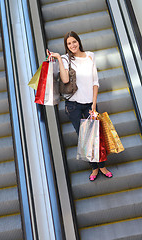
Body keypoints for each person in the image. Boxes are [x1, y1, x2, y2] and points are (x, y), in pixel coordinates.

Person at [47, 31, 112, 181]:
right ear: (66, 46)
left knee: (96, 136)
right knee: (85, 138)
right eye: (69, 43)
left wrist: (94, 105)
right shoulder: (65, 58)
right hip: (73, 106)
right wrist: (57, 57)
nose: (72, 45)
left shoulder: (90, 56)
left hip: (90, 104)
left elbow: (95, 82)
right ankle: (94, 168)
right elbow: (64, 80)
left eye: (74, 42)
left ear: (78, 41)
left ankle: (102, 166)